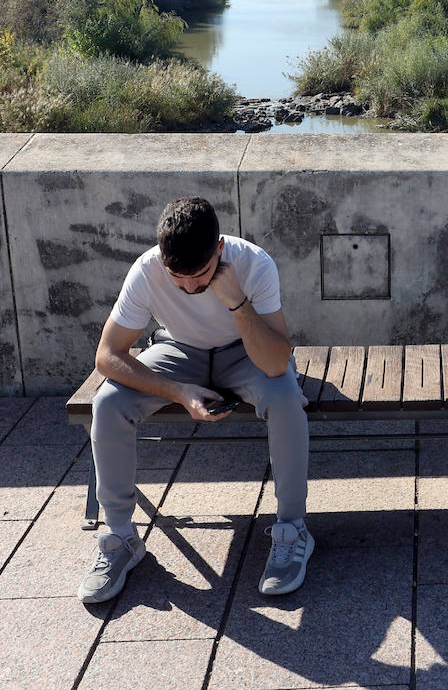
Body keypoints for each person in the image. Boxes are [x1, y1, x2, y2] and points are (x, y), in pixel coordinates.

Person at [77, 197, 311, 603]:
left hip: (246, 351)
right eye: (177, 277)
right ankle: (121, 537)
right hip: (178, 352)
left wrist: (235, 300)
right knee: (108, 403)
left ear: (219, 249)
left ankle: (293, 529)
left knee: (286, 397)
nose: (188, 287)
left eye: (200, 274)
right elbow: (108, 355)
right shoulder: (147, 270)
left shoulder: (254, 263)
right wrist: (178, 392)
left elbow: (275, 363)